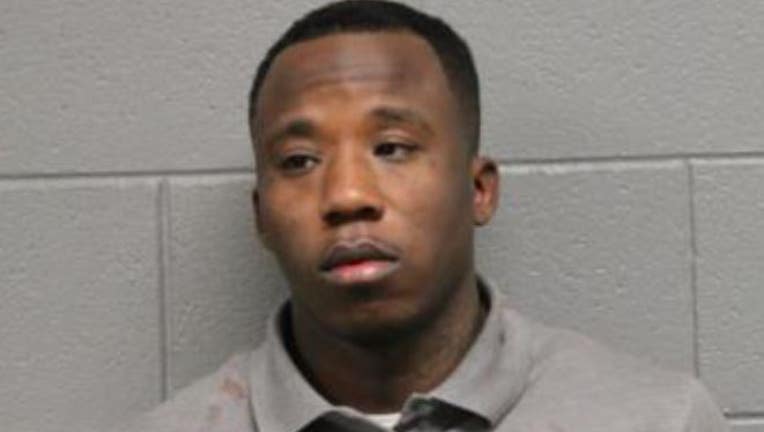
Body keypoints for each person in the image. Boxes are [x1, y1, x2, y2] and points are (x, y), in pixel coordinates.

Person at [118, 1, 728, 431]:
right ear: (262, 218)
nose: (347, 195)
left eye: (392, 148)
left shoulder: (657, 420)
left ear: (478, 190)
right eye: (300, 160)